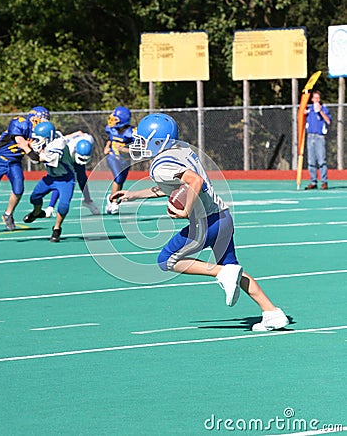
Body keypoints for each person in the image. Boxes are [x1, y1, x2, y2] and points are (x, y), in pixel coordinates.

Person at [112, 113, 289, 331]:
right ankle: (272, 312)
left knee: (166, 260)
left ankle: (220, 273)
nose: (138, 144)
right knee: (233, 269)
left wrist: (185, 210)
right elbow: (173, 186)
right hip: (223, 216)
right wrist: (133, 195)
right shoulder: (182, 152)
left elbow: (195, 181)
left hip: (206, 223)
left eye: (143, 140)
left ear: (159, 141)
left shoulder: (161, 165)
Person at [0, 106, 49, 241]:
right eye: (43, 119)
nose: (44, 122)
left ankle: (8, 214)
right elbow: (21, 143)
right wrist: (34, 154)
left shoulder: (41, 132)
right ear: (35, 117)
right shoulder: (20, 123)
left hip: (14, 162)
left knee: (19, 190)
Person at [23, 121, 75, 243]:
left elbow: (40, 159)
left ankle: (57, 229)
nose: (36, 141)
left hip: (65, 179)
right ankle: (37, 212)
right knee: (34, 197)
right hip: (51, 177)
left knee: (63, 206)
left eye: (38, 139)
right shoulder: (50, 139)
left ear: (48, 138)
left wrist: (26, 148)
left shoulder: (58, 144)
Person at [44, 130, 100, 217]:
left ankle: (88, 201)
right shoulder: (68, 148)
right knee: (63, 179)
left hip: (74, 150)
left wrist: (76, 134)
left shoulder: (90, 140)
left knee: (82, 178)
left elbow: (80, 132)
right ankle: (50, 207)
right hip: (67, 157)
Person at [103, 106, 135, 214]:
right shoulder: (111, 129)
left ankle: (111, 199)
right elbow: (110, 139)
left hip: (125, 160)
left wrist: (124, 149)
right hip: (113, 157)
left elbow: (137, 149)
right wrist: (107, 146)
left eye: (115, 119)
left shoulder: (131, 132)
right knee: (118, 178)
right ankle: (113, 202)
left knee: (121, 181)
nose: (112, 120)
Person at [304, 90, 332, 190]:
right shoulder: (309, 109)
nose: (316, 100)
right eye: (314, 98)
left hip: (319, 137)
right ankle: (313, 181)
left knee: (321, 160)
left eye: (318, 98)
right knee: (311, 161)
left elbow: (328, 121)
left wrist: (320, 111)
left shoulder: (324, 109)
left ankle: (324, 181)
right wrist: (304, 113)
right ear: (312, 99)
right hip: (310, 136)